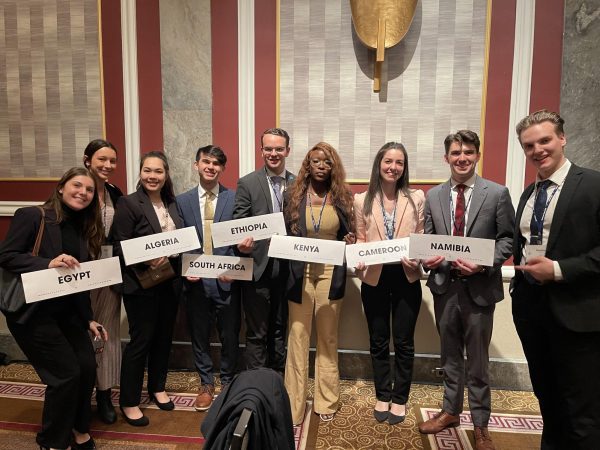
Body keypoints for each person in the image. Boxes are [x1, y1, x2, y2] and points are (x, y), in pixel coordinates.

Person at [418, 130, 514, 450]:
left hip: (480, 290)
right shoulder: (433, 196)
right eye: (456, 153)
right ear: (446, 157)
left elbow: (508, 240)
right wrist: (428, 260)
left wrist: (483, 264)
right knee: (449, 358)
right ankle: (449, 411)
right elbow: (429, 241)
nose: (462, 158)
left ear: (477, 155)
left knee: (477, 361)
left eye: (468, 152)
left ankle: (481, 424)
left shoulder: (497, 194)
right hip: (445, 289)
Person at [0, 167, 107, 450]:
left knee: (85, 368)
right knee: (66, 375)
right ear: (61, 187)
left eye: (89, 190)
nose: (82, 193)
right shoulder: (32, 215)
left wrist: (88, 319)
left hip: (68, 313)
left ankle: (78, 426)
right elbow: (7, 256)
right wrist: (46, 263)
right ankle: (52, 440)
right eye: (77, 186)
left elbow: (79, 280)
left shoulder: (85, 226)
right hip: (33, 314)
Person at [511, 110, 600, 449]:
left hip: (578, 315)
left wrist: (559, 269)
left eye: (544, 140)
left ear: (562, 138)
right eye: (529, 145)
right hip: (533, 312)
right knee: (548, 399)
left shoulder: (593, 185)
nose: (538, 150)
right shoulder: (528, 195)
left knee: (583, 409)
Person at [283, 142, 355, 425]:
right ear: (308, 165)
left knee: (327, 337)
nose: (321, 166)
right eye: (316, 161)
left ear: (333, 165)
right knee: (297, 337)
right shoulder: (293, 195)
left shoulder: (343, 197)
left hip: (330, 272)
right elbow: (283, 232)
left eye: (327, 162)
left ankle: (326, 401)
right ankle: (293, 405)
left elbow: (350, 235)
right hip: (299, 274)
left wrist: (350, 240)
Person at [353, 142, 424, 425]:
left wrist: (416, 259)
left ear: (404, 168)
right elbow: (360, 237)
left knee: (404, 341)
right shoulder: (362, 200)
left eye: (399, 163)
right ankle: (383, 393)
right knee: (379, 340)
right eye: (388, 161)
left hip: (406, 276)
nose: (393, 167)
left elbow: (420, 236)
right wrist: (358, 258)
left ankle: (400, 398)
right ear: (379, 164)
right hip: (375, 276)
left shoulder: (417, 197)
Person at [111, 151, 183, 426]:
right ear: (140, 173)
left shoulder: (172, 202)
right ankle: (129, 401)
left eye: (159, 172)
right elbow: (119, 245)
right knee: (141, 341)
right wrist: (145, 258)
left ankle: (157, 387)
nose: (153, 176)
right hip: (141, 284)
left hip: (170, 281)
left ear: (166, 175)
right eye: (148, 171)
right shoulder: (129, 203)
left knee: (163, 337)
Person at [176, 145, 240, 411]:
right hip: (196, 282)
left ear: (222, 169)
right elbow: (179, 241)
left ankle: (227, 382)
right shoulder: (182, 201)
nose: (210, 167)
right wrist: (186, 266)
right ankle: (205, 383)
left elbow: (240, 238)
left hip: (226, 280)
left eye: (216, 163)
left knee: (230, 334)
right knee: (199, 334)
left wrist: (235, 267)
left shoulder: (234, 198)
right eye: (206, 162)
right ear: (196, 165)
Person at [232, 128, 295, 372]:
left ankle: (276, 383)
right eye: (268, 148)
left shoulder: (298, 183)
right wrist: (241, 242)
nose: (273, 153)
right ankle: (256, 386)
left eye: (279, 148)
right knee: (257, 332)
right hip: (258, 268)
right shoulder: (248, 183)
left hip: (288, 269)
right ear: (261, 151)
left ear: (287, 151)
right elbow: (239, 221)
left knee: (280, 330)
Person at [82, 139, 123, 424]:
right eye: (102, 159)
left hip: (109, 272)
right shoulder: (77, 189)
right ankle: (82, 394)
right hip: (78, 275)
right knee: (82, 333)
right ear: (87, 160)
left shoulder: (114, 193)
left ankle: (105, 394)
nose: (107, 165)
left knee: (108, 334)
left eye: (112, 161)